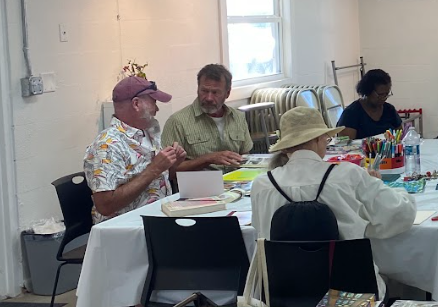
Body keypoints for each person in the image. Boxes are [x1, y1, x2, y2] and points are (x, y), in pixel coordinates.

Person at [251, 107, 416, 242]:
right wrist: (381, 189)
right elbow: (401, 213)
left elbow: (260, 231)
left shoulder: (262, 185)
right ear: (318, 139)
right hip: (344, 279)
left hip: (283, 280)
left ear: (285, 147)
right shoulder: (348, 174)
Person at [84, 77, 186, 223]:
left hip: (158, 219)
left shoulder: (148, 133)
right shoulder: (107, 146)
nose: (157, 109)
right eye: (154, 102)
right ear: (136, 104)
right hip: (127, 230)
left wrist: (174, 164)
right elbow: (105, 206)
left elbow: (156, 182)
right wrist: (154, 168)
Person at [162, 64, 252, 171]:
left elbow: (246, 157)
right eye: (204, 91)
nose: (209, 98)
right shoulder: (177, 121)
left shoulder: (238, 117)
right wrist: (206, 159)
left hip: (236, 183)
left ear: (227, 93)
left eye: (215, 92)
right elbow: (167, 171)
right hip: (199, 185)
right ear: (197, 89)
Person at [336, 69, 402, 140]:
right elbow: (345, 145)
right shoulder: (351, 113)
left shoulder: (389, 110)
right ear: (367, 91)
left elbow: (400, 135)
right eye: (380, 94)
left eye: (386, 94)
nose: (384, 98)